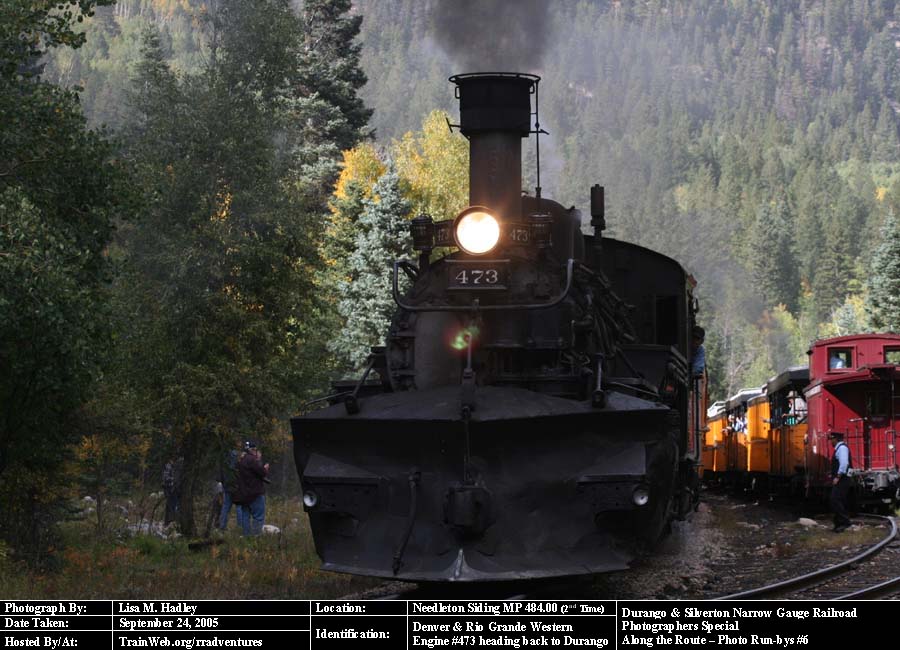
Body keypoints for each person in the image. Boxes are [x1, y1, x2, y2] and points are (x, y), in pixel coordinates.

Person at [236, 440, 269, 535]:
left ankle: (247, 537)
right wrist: (265, 468)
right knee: (258, 517)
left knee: (246, 516)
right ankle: (256, 537)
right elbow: (262, 473)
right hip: (255, 493)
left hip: (243, 494)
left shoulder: (240, 460)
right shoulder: (252, 460)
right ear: (253, 450)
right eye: (255, 450)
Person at [829, 431, 852, 532]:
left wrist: (837, 477)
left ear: (836, 439)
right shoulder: (839, 448)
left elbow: (844, 464)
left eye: (831, 439)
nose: (830, 441)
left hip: (842, 478)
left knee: (836, 499)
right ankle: (838, 524)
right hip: (841, 478)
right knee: (838, 500)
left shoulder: (842, 448)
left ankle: (845, 522)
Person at [218, 447, 244, 531]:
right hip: (236, 488)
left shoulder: (225, 462)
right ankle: (240, 527)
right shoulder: (238, 463)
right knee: (239, 507)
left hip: (227, 487)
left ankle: (222, 526)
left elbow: (221, 475)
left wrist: (223, 483)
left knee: (225, 507)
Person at [162, 455, 183, 526]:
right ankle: (169, 523)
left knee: (174, 507)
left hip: (175, 490)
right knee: (171, 507)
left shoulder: (175, 467)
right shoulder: (169, 466)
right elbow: (166, 479)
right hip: (171, 490)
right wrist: (174, 481)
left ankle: (171, 523)